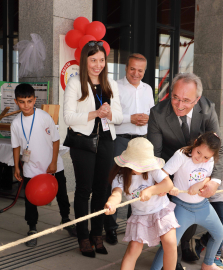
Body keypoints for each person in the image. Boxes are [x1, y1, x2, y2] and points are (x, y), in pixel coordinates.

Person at [147, 72, 223, 268]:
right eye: (175, 98)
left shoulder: (207, 109)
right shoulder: (157, 113)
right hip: (169, 164)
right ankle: (173, 256)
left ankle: (187, 244)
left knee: (193, 205)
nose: (179, 105)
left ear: (197, 99)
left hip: (198, 168)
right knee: (176, 210)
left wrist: (214, 181)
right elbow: (154, 154)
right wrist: (163, 182)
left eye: (186, 100)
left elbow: (219, 148)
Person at [63, 41, 123, 257]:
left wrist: (108, 114)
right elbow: (68, 116)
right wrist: (94, 114)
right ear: (85, 61)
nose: (98, 65)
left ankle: (97, 235)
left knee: (102, 190)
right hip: (83, 142)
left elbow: (120, 116)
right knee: (83, 190)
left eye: (101, 60)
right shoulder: (75, 83)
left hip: (107, 141)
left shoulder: (111, 84)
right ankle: (83, 237)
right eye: (93, 60)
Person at [11, 84, 76, 247]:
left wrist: (54, 161)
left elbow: (55, 140)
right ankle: (32, 228)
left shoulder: (44, 116)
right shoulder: (15, 124)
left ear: (35, 100)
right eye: (22, 101)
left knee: (61, 194)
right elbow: (16, 146)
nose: (26, 105)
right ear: (16, 102)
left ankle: (66, 219)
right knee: (30, 199)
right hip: (31, 167)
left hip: (52, 166)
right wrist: (16, 167)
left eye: (29, 101)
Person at [151, 132, 223, 270]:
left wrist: (200, 184)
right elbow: (163, 174)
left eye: (206, 157)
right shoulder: (181, 155)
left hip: (203, 206)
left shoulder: (211, 159)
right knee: (170, 244)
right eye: (198, 152)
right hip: (181, 207)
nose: (200, 158)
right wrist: (169, 186)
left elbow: (208, 176)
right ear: (195, 143)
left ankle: (208, 263)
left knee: (219, 233)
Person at [104, 53, 155, 245]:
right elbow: (108, 114)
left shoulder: (148, 89)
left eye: (140, 70)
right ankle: (110, 227)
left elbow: (153, 113)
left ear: (144, 71)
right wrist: (129, 118)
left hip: (141, 142)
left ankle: (135, 225)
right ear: (126, 68)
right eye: (132, 68)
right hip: (120, 140)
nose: (136, 73)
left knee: (138, 183)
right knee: (116, 182)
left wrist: (148, 119)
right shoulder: (114, 86)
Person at [104, 138, 178, 270]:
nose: (144, 166)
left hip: (161, 210)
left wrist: (151, 190)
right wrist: (111, 203)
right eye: (140, 163)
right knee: (133, 249)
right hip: (140, 215)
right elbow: (116, 193)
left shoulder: (153, 169)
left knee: (170, 243)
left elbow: (168, 184)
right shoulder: (120, 177)